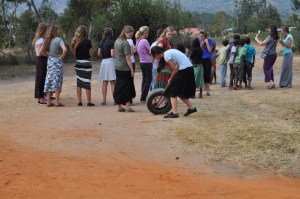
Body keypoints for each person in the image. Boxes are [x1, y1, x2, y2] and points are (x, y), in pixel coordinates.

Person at [151, 46, 197, 118]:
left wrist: (170, 79)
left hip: (186, 69)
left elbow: (175, 70)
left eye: (155, 56)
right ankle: (191, 108)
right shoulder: (168, 53)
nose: (156, 58)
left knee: (173, 91)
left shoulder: (166, 56)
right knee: (178, 92)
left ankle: (174, 113)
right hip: (187, 69)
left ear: (157, 54)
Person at [42, 25, 68, 107]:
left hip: (50, 62)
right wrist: (61, 57)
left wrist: (48, 55)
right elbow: (65, 49)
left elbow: (42, 51)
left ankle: (48, 101)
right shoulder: (59, 40)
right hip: (57, 62)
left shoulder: (47, 41)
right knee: (57, 81)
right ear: (56, 31)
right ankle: (57, 101)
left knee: (49, 79)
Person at [113, 25, 136, 112]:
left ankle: (119, 106)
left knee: (119, 86)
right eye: (130, 35)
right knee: (127, 87)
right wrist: (132, 70)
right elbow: (128, 58)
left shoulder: (117, 41)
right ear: (126, 33)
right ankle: (127, 106)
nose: (130, 37)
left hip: (117, 67)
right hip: (125, 68)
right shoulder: (125, 43)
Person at [71, 25, 95, 106]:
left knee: (79, 82)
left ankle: (79, 101)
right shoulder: (88, 42)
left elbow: (75, 54)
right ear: (85, 32)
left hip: (78, 63)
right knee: (87, 82)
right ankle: (89, 101)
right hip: (86, 63)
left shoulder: (75, 42)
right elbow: (90, 54)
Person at [255, 24, 279, 89]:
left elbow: (261, 44)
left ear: (272, 29)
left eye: (268, 29)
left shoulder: (270, 37)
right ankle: (271, 82)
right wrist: (260, 39)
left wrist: (256, 38)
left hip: (269, 55)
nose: (268, 30)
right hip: (274, 54)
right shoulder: (276, 37)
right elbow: (266, 43)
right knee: (270, 68)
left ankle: (271, 82)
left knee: (266, 68)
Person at [98, 27, 116, 105]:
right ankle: (115, 99)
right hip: (110, 61)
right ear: (110, 34)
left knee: (104, 82)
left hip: (103, 62)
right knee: (112, 82)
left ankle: (104, 100)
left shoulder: (101, 42)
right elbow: (112, 54)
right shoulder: (112, 42)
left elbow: (99, 53)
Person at [136, 26, 153, 102]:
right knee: (148, 80)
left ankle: (142, 96)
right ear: (145, 32)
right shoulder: (145, 41)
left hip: (142, 62)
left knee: (144, 79)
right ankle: (143, 97)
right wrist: (149, 53)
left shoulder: (138, 41)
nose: (148, 34)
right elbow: (151, 50)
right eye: (148, 32)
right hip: (147, 62)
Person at [32, 23, 48, 104]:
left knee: (40, 78)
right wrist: (47, 55)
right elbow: (41, 51)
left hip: (39, 59)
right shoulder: (41, 40)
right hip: (42, 59)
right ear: (43, 30)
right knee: (41, 78)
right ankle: (41, 98)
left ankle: (40, 96)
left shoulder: (38, 39)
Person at [199, 31, 214, 96]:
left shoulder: (210, 41)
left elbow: (210, 50)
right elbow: (199, 49)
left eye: (202, 36)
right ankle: (201, 91)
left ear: (205, 36)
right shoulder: (199, 40)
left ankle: (207, 91)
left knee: (207, 75)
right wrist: (202, 43)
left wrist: (207, 42)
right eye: (200, 36)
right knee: (201, 75)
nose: (201, 37)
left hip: (207, 60)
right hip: (201, 59)